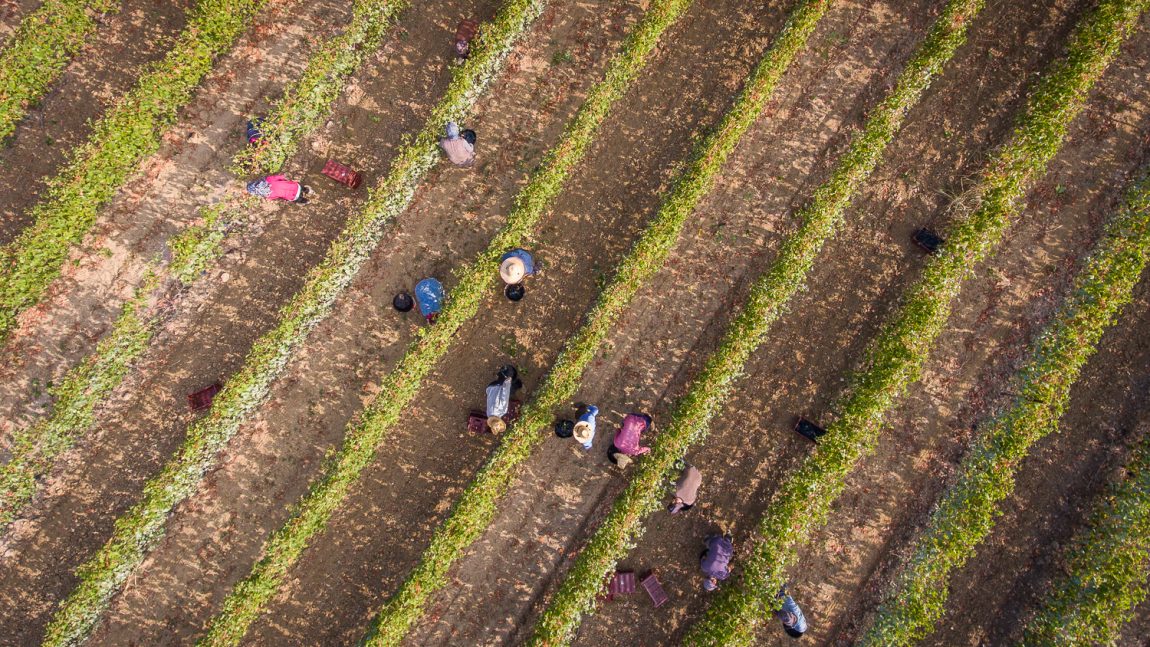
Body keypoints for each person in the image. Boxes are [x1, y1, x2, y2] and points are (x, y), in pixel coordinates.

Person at [485, 365, 522, 434]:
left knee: (511, 373)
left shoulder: (500, 409)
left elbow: (504, 394)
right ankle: (515, 383)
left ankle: (505, 371)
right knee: (514, 388)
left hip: (497, 386)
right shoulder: (489, 414)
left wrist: (508, 381)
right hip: (490, 389)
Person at [246, 174, 312, 203]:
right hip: (296, 186)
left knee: (295, 198)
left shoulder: (268, 195)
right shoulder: (269, 179)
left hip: (294, 197)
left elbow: (276, 197)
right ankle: (306, 190)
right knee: (298, 187)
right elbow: (279, 177)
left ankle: (305, 201)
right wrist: (282, 177)